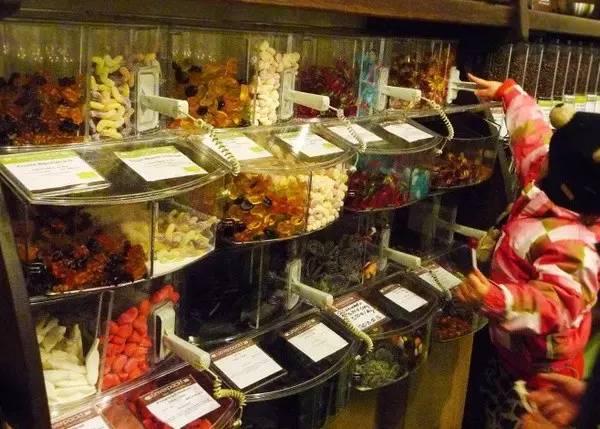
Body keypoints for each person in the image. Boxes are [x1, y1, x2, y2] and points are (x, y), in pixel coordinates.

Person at [456, 74, 600, 429]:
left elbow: (555, 305)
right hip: (509, 347)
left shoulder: (575, 246)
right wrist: (509, 93)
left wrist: (496, 298)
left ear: (567, 183)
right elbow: (531, 136)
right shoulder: (550, 182)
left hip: (543, 375)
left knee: (509, 419)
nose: (544, 155)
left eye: (552, 155)